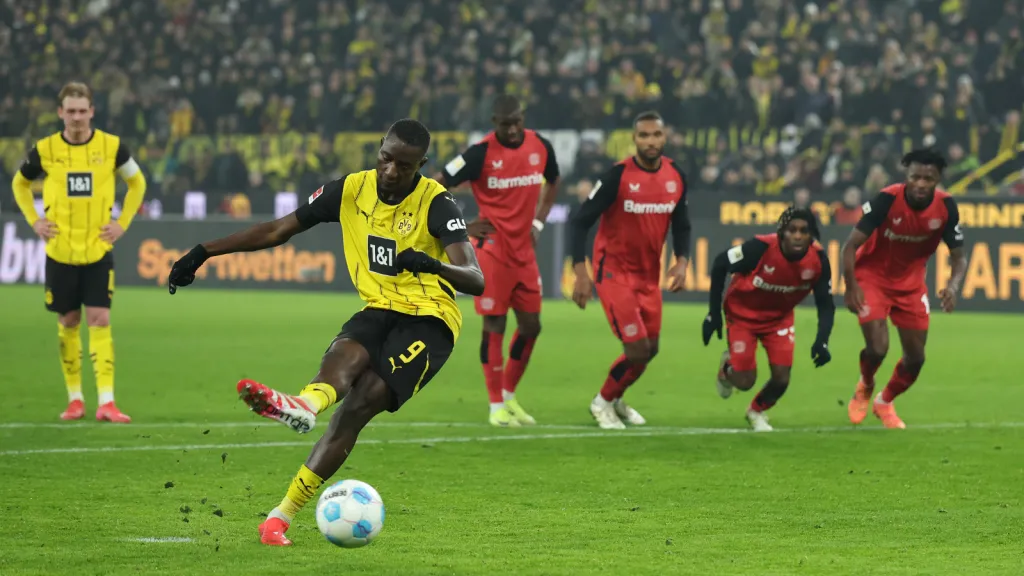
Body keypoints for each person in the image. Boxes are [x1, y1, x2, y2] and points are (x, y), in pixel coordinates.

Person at [166, 119, 484, 546]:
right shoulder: (350, 189)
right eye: (385, 158)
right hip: (377, 307)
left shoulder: (437, 202)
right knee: (343, 360)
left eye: (403, 166)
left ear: (421, 165)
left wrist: (431, 264)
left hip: (431, 319)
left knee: (359, 404)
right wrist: (204, 252)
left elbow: (475, 278)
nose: (390, 171)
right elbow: (280, 229)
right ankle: (302, 408)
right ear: (380, 150)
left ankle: (283, 511)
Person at [10, 82, 147, 423]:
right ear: (60, 113)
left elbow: (137, 183)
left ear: (92, 112)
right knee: (68, 321)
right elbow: (20, 183)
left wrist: (122, 223)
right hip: (60, 251)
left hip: (98, 250)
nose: (76, 117)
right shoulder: (45, 150)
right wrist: (34, 221)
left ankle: (106, 401)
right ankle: (75, 399)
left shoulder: (112, 147)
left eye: (81, 110)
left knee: (100, 319)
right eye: (70, 111)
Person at [436, 94, 561, 427]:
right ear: (495, 123)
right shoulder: (479, 154)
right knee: (495, 325)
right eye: (506, 124)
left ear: (523, 117)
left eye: (517, 121)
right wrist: (461, 225)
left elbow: (555, 179)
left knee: (532, 326)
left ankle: (508, 396)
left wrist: (538, 221)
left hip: (524, 253)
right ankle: (495, 407)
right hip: (492, 251)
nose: (513, 128)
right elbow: (435, 186)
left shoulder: (540, 146)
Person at [569, 111, 692, 430]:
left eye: (656, 135)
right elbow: (580, 221)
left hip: (648, 277)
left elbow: (682, 224)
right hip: (614, 273)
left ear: (664, 138)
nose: (650, 141)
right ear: (634, 139)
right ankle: (603, 402)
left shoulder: (676, 175)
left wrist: (682, 260)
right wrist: (580, 271)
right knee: (637, 349)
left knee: (651, 349)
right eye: (643, 136)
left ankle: (616, 395)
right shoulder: (617, 177)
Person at [842, 148, 968, 429]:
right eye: (916, 177)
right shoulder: (886, 199)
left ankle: (884, 402)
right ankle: (865, 385)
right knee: (877, 348)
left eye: (928, 178)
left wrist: (953, 286)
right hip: (872, 277)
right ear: (906, 176)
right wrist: (850, 286)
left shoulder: (946, 207)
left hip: (911, 286)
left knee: (916, 359)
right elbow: (850, 246)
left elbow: (959, 257)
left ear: (938, 179)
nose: (921, 184)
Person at [702, 207, 835, 432]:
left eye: (804, 231)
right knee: (745, 381)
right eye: (792, 230)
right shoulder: (759, 248)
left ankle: (756, 411)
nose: (798, 236)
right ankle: (727, 368)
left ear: (811, 235)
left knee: (782, 378)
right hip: (742, 316)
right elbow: (720, 263)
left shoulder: (819, 260)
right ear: (782, 232)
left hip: (778, 321)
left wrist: (822, 340)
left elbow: (825, 304)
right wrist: (713, 313)